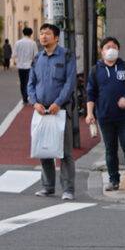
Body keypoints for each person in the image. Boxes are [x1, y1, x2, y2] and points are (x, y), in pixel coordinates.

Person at [85, 37, 125, 192]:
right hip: (105, 117)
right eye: (107, 47)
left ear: (118, 50)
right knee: (110, 149)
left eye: (114, 47)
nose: (111, 49)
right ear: (102, 50)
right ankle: (113, 180)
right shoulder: (95, 70)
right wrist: (90, 113)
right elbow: (91, 93)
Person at [26, 23, 77, 200]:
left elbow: (69, 83)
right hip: (41, 110)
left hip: (60, 110)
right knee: (44, 149)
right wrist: (34, 102)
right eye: (41, 34)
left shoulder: (67, 56)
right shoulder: (37, 58)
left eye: (47, 33)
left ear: (56, 38)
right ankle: (48, 186)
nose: (43, 37)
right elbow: (31, 83)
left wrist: (58, 102)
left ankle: (68, 189)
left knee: (65, 152)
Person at [12, 27, 38, 104]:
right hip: (29, 65)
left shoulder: (18, 43)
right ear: (31, 34)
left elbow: (14, 54)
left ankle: (24, 98)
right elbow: (36, 54)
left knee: (22, 82)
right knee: (28, 82)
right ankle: (27, 95)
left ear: (23, 33)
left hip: (20, 65)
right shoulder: (33, 43)